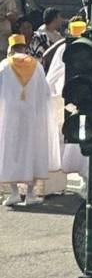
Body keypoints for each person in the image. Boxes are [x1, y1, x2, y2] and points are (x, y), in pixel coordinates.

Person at [0, 34, 59, 207]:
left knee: (10, 151)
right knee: (32, 150)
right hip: (32, 116)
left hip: (10, 116)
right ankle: (31, 193)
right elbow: (45, 94)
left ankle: (14, 193)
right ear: (24, 48)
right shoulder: (38, 67)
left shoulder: (4, 66)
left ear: (11, 49)